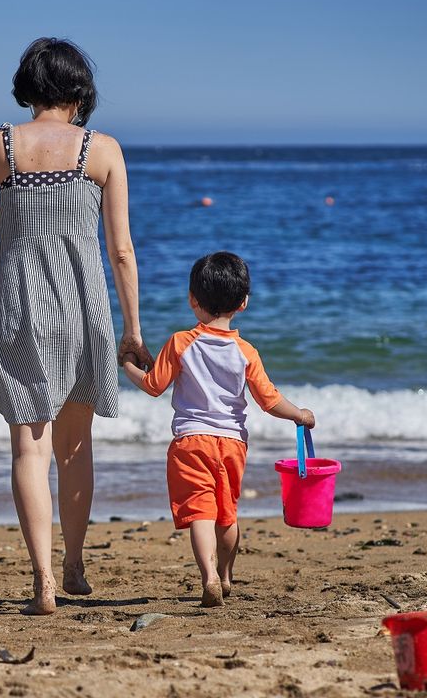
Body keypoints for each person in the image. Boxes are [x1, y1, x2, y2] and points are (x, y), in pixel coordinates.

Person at [0, 37, 153, 615]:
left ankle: (43, 581)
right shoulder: (101, 150)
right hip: (82, 309)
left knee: (26, 450)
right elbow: (123, 251)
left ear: (28, 86)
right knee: (75, 447)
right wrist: (133, 327)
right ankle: (75, 565)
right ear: (80, 91)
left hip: (14, 306)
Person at [120, 251, 315, 607]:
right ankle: (225, 575)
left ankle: (208, 577)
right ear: (243, 303)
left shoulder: (181, 342)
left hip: (190, 442)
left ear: (193, 300)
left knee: (200, 512)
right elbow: (269, 401)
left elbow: (153, 386)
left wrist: (128, 366)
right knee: (227, 514)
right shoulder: (246, 351)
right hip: (232, 444)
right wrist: (299, 415)